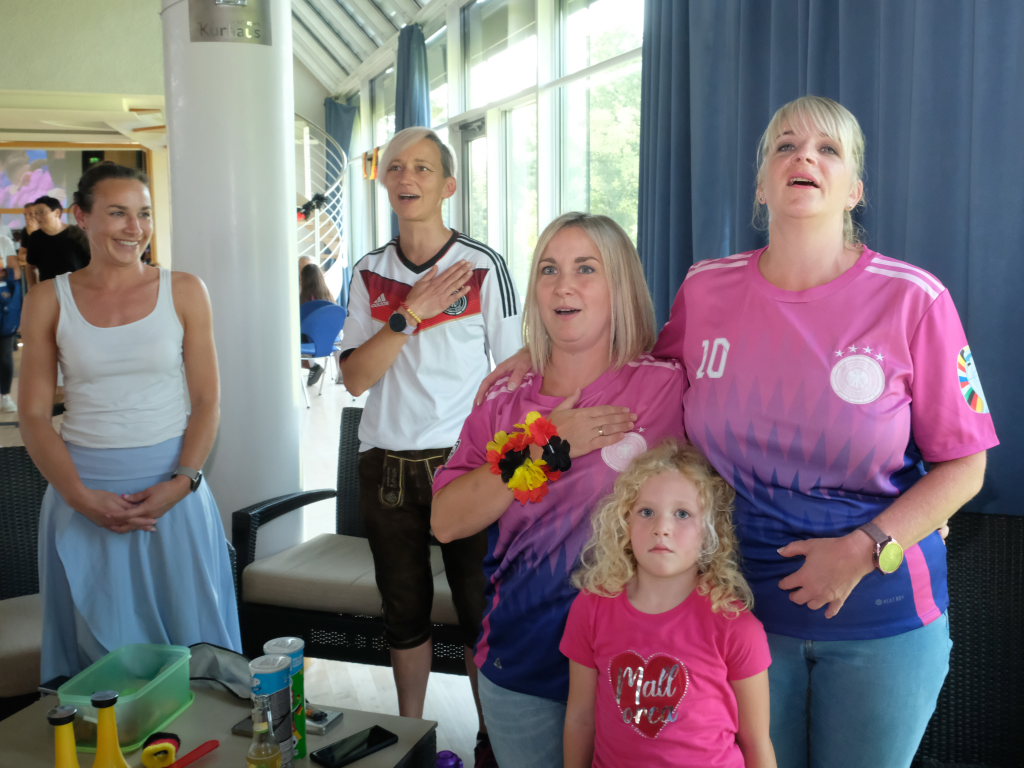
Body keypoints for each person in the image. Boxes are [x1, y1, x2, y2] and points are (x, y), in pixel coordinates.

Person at [480, 96, 998, 767]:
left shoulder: (914, 299)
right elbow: (641, 369)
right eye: (785, 146)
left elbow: (966, 463)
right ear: (760, 186)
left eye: (828, 149)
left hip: (881, 615)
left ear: (855, 190)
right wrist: (544, 347)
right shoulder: (707, 290)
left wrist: (870, 545)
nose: (804, 156)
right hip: (737, 614)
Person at [432, 212, 687, 768]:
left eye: (585, 269)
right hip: (524, 666)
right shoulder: (503, 402)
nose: (563, 285)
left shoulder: (668, 383)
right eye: (548, 269)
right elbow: (446, 522)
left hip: (639, 670)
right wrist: (544, 447)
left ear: (620, 285)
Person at [338, 126, 521, 765]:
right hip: (385, 465)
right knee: (404, 611)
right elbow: (354, 377)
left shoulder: (482, 265)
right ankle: (411, 737)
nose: (406, 177)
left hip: (465, 465)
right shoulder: (368, 271)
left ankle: (490, 740)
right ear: (384, 182)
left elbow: (515, 372)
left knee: (479, 612)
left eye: (421, 167)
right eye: (395, 167)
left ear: (448, 186)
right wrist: (409, 314)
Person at [19, 162, 241, 681]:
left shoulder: (185, 290)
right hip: (83, 495)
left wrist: (182, 482)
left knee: (197, 655)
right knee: (99, 672)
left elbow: (207, 401)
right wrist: (80, 498)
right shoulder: (47, 298)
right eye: (117, 213)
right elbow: (33, 415)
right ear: (82, 217)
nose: (134, 228)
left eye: (144, 214)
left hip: (174, 495)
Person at [561, 439, 774, 768]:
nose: (661, 529)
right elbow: (580, 718)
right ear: (625, 522)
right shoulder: (592, 607)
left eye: (682, 514)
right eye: (646, 512)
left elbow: (756, 742)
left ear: (710, 533)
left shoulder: (736, 626)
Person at [25, 195, 90, 287]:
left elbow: (91, 263)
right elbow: (30, 266)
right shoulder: (35, 237)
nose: (37, 217)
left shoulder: (77, 234)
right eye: (35, 213)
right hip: (48, 289)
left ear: (57, 213)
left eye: (41, 212)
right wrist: (33, 287)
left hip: (76, 288)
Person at [299, 261, 336, 386]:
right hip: (330, 341)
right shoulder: (329, 298)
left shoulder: (303, 300)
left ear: (303, 279)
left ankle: (313, 366)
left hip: (309, 342)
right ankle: (314, 367)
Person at [0, 250, 22, 413]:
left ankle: (5, 395)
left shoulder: (4, 240)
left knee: (5, 358)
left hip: (5, 324)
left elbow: (16, 272)